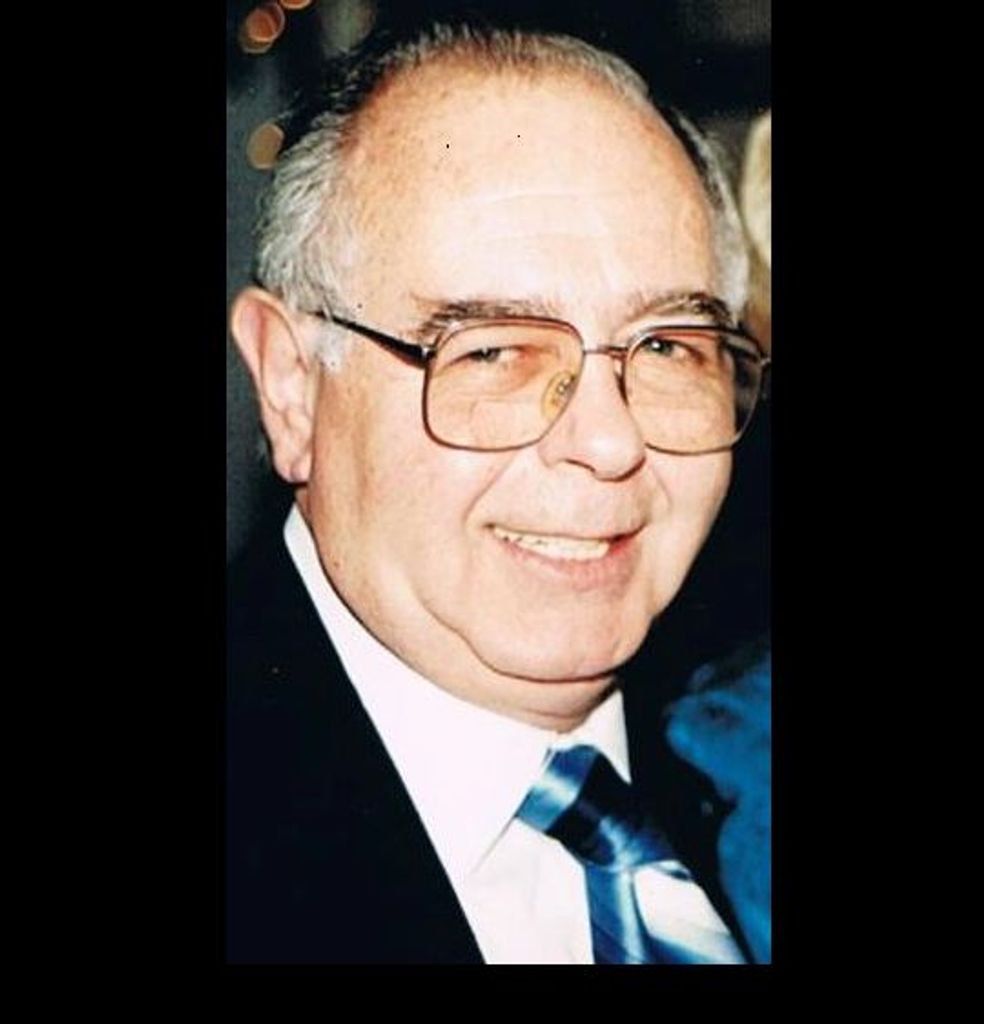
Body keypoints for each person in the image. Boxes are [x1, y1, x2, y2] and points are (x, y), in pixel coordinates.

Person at [227, 22, 770, 964]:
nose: (609, 442)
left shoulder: (738, 737)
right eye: (495, 352)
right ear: (291, 385)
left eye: (666, 345)